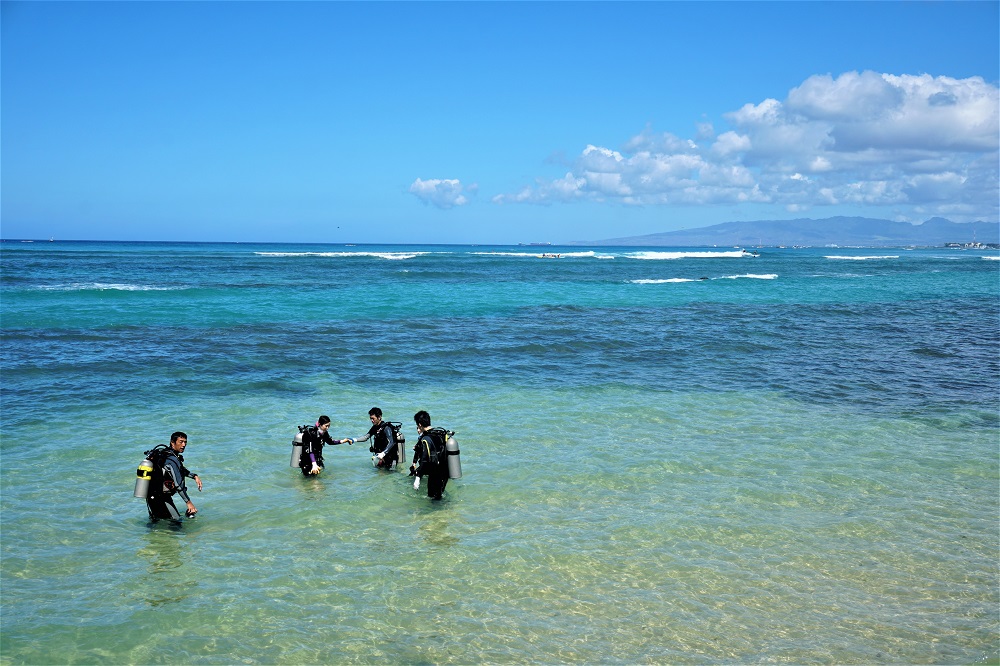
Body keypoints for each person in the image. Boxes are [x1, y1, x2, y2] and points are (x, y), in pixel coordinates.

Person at [146, 431, 202, 522]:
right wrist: (189, 503)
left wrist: (195, 476)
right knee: (176, 522)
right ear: (172, 442)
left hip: (152, 496)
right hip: (160, 497)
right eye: (181, 442)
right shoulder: (170, 459)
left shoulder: (167, 455)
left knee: (157, 523)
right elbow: (178, 484)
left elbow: (181, 470)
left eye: (185, 442)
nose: (184, 445)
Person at [409, 410, 448, 500]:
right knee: (439, 497)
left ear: (419, 424)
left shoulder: (426, 438)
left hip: (434, 473)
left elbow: (424, 459)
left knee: (433, 499)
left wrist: (418, 478)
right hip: (444, 471)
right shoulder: (439, 434)